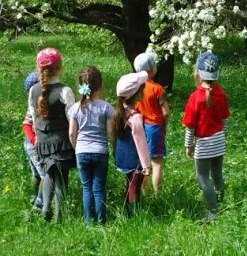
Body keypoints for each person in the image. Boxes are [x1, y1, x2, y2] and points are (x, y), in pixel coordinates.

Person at [27, 48, 76, 222]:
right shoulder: (65, 91)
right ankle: (58, 217)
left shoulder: (33, 90)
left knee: (48, 174)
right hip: (61, 141)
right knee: (61, 179)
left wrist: (37, 137)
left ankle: (46, 207)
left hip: (42, 140)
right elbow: (72, 118)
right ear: (59, 67)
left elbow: (33, 117)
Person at [182, 52, 230, 222]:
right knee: (217, 175)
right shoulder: (221, 94)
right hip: (219, 141)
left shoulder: (196, 98)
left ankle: (212, 211)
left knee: (202, 177)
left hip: (204, 143)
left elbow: (191, 125)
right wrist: (223, 137)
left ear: (197, 72)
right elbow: (225, 120)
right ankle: (220, 204)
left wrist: (189, 145)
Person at [68, 66, 115, 225]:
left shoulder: (75, 108)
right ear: (100, 85)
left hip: (81, 151)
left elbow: (71, 133)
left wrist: (76, 148)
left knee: (87, 188)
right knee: (99, 189)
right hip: (100, 151)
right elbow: (110, 132)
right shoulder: (106, 107)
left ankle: (89, 223)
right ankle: (102, 222)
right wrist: (112, 146)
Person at [110, 71, 152, 217]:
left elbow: (114, 137)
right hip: (135, 159)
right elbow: (141, 143)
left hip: (123, 158)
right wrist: (146, 165)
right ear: (138, 94)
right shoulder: (136, 118)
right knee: (135, 187)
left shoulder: (118, 113)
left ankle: (126, 209)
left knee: (129, 184)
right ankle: (134, 214)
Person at [133, 50, 170, 197]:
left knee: (143, 162)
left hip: (140, 127)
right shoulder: (157, 89)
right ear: (151, 70)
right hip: (154, 127)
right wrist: (164, 126)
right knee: (157, 162)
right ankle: (157, 195)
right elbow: (165, 112)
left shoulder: (136, 87)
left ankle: (143, 191)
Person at [22, 71, 44, 209]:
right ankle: (39, 203)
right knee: (45, 175)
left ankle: (34, 196)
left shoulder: (33, 105)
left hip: (29, 143)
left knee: (36, 173)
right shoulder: (35, 107)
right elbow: (26, 124)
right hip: (34, 144)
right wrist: (34, 139)